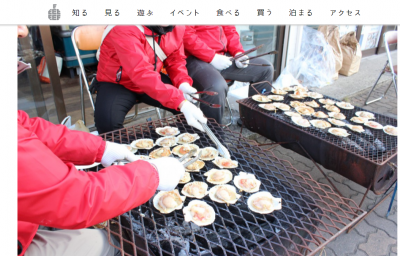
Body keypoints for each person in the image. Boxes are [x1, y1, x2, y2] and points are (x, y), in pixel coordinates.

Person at [17, 26, 185, 256]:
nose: (24, 30)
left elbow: (31, 128)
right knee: (108, 241)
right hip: (120, 82)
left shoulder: (178, 26)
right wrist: (152, 173)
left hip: (19, 222)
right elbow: (77, 198)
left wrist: (101, 148)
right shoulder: (124, 27)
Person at [94, 25, 207, 134]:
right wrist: (180, 102)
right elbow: (140, 72)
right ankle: (126, 152)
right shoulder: (124, 27)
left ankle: (186, 146)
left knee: (191, 112)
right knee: (107, 125)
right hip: (117, 82)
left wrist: (182, 83)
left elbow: (175, 60)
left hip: (153, 76)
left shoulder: (176, 26)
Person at [183, 25, 274, 124]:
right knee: (216, 87)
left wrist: (238, 52)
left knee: (265, 69)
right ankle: (213, 133)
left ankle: (254, 122)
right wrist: (211, 57)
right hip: (195, 58)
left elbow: (229, 30)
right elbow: (186, 35)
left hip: (222, 57)